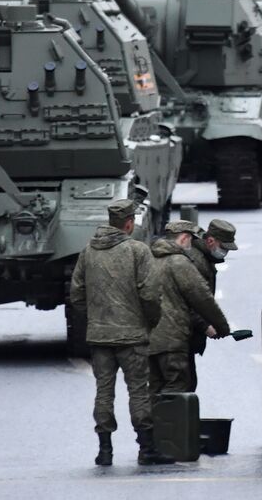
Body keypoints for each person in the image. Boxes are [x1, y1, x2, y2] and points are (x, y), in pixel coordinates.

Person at [68, 199, 171, 467]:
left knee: (104, 391)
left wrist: (95, 319)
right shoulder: (138, 251)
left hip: (99, 336)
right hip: (132, 336)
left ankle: (104, 451)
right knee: (138, 391)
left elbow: (76, 294)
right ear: (129, 223)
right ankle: (146, 449)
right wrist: (150, 321)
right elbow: (150, 295)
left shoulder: (88, 251)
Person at [148, 221, 231, 393]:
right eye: (224, 247)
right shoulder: (186, 261)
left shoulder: (154, 258)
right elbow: (199, 300)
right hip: (173, 337)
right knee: (179, 389)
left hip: (152, 336)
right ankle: (170, 420)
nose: (225, 252)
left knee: (158, 388)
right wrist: (216, 327)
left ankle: (151, 420)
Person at [183, 220, 237, 368]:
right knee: (182, 385)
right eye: (223, 248)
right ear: (211, 241)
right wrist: (205, 326)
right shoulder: (196, 261)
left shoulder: (204, 257)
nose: (225, 252)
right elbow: (187, 302)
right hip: (179, 338)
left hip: (184, 336)